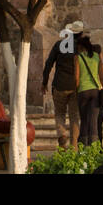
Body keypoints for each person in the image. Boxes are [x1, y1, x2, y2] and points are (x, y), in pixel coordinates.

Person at [42, 20, 82, 150]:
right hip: (75, 86)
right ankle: (74, 147)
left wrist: (44, 83)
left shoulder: (59, 45)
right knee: (74, 116)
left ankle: (62, 134)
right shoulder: (80, 48)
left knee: (59, 113)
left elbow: (48, 64)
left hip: (59, 85)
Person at [75, 34, 103, 147]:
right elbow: (102, 76)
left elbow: (76, 77)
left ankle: (83, 149)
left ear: (81, 47)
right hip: (95, 91)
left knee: (84, 121)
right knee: (94, 121)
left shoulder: (78, 57)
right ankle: (94, 150)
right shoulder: (96, 56)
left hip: (83, 92)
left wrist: (76, 91)